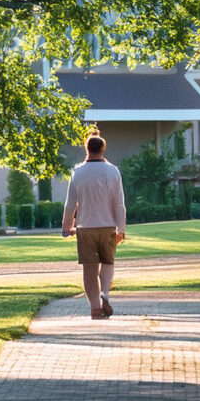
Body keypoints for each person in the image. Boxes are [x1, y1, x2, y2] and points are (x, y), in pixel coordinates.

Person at [61, 133, 126, 320]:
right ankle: (105, 293)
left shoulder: (77, 173)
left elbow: (70, 203)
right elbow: (119, 204)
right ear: (103, 149)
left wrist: (67, 226)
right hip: (108, 227)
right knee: (107, 263)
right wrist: (121, 229)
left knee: (89, 270)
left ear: (86, 148)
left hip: (85, 227)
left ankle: (95, 307)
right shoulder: (113, 171)